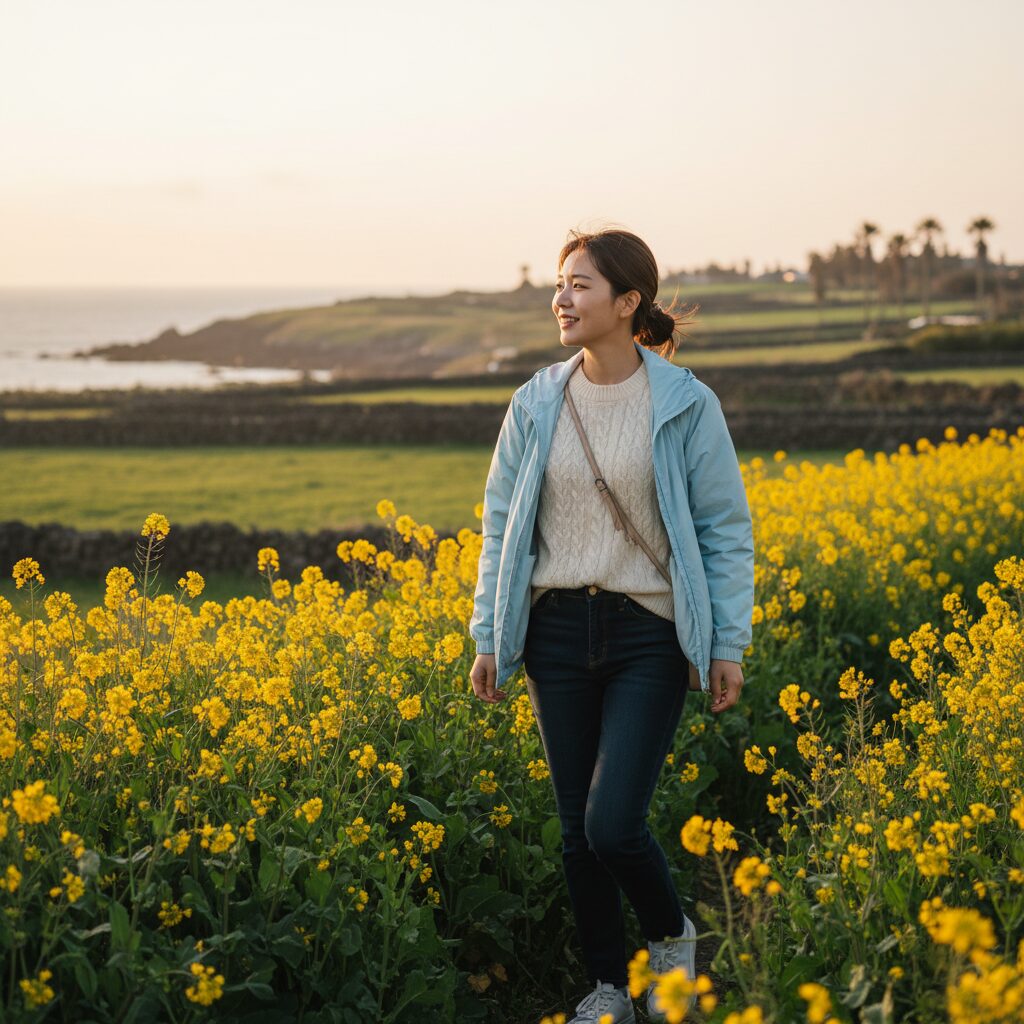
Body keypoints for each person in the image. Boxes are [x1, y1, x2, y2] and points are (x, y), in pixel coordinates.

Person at [469, 227, 755, 1024]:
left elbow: (725, 528)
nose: (561, 299)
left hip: (646, 634)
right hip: (555, 630)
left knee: (611, 822)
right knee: (573, 830)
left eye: (580, 286)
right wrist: (490, 635)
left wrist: (726, 642)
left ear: (629, 303)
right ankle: (607, 990)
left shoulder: (688, 404)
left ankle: (671, 935)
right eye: (559, 285)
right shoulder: (534, 401)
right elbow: (502, 526)